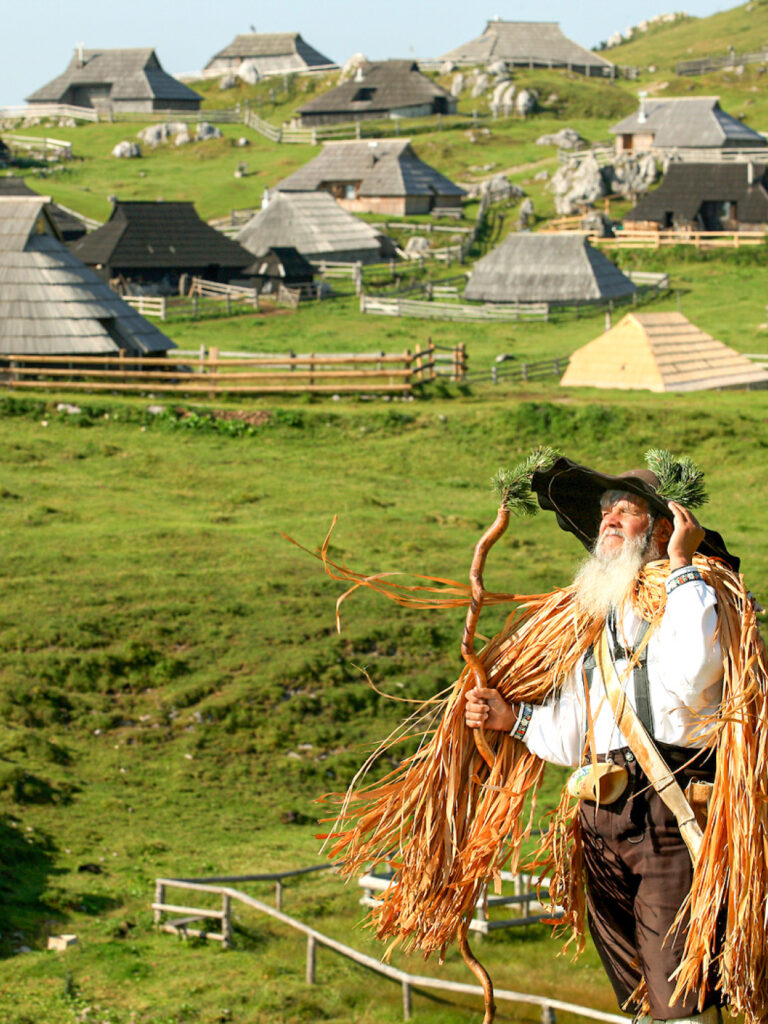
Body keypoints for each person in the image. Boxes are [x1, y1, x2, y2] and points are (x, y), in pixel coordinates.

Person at [465, 459, 734, 1024]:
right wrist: (508, 719)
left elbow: (695, 676)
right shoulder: (593, 618)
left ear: (663, 528)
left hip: (670, 812)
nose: (608, 519)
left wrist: (683, 565)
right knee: (635, 993)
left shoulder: (694, 593)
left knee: (679, 994)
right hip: (600, 817)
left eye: (626, 510)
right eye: (605, 510)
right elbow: (571, 736)